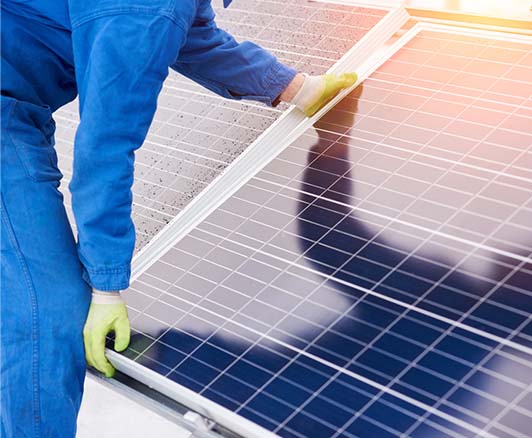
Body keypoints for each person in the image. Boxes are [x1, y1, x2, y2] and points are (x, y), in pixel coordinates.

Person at [0, 0, 357, 435]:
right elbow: (105, 148)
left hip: (15, 107)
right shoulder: (148, 8)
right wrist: (107, 286)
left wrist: (297, 88)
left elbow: (191, 37)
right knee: (50, 314)